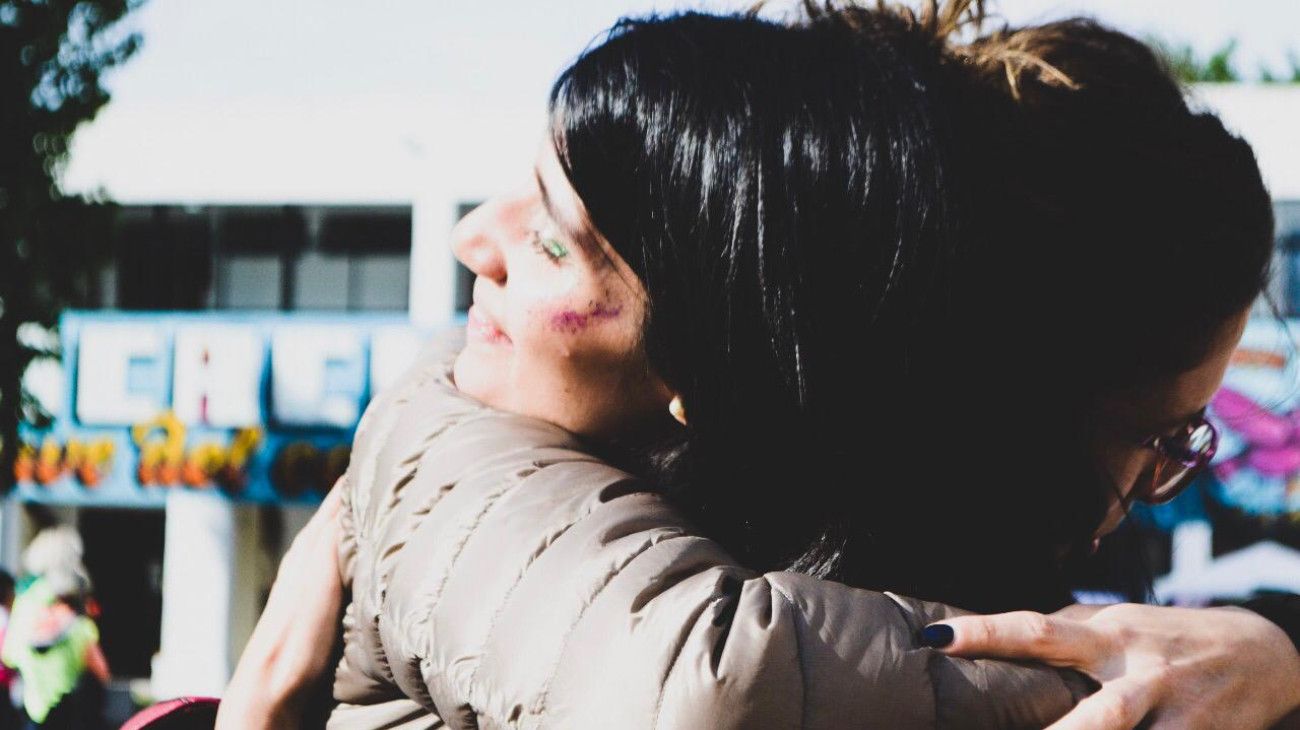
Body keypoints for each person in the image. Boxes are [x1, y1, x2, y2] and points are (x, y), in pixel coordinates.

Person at [220, 3, 1300, 728]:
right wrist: (1114, 673)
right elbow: (700, 680)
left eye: (1177, 448)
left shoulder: (725, 531)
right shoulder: (475, 463)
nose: (472, 239)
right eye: (1162, 440)